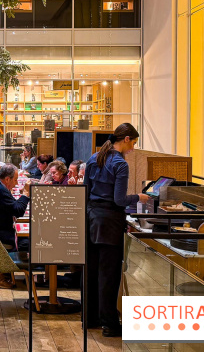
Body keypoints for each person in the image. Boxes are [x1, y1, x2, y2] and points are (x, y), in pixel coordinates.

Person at [84, 123, 149, 338]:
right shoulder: (120, 164)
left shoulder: (94, 159)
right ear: (127, 139)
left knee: (92, 272)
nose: (133, 149)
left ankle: (90, 317)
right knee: (109, 275)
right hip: (110, 224)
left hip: (91, 221)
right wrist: (139, 197)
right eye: (134, 143)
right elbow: (119, 200)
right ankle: (110, 324)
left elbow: (85, 192)